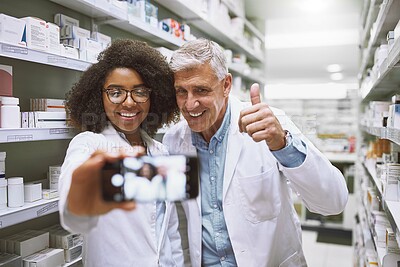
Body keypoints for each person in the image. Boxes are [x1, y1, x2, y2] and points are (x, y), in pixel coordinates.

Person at [162, 38, 349, 267]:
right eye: (181, 91)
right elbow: (180, 218)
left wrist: (282, 145)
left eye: (201, 90)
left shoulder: (270, 126)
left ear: (226, 85)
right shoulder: (173, 141)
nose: (190, 105)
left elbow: (333, 202)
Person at [58, 39, 183, 266]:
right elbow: (74, 213)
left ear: (152, 97)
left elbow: (170, 229)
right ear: (100, 97)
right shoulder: (89, 145)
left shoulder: (161, 152)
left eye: (140, 92)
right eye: (115, 92)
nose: (128, 103)